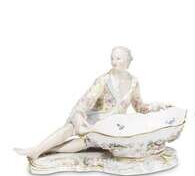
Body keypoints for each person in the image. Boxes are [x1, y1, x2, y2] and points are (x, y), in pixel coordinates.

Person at [15, 46, 169, 160]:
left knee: (86, 142)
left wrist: (155, 106)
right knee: (71, 127)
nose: (114, 61)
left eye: (118, 58)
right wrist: (79, 113)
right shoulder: (104, 79)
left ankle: (45, 151)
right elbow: (87, 99)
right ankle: (37, 150)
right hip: (95, 118)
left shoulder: (133, 82)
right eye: (112, 58)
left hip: (113, 125)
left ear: (127, 61)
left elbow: (139, 106)